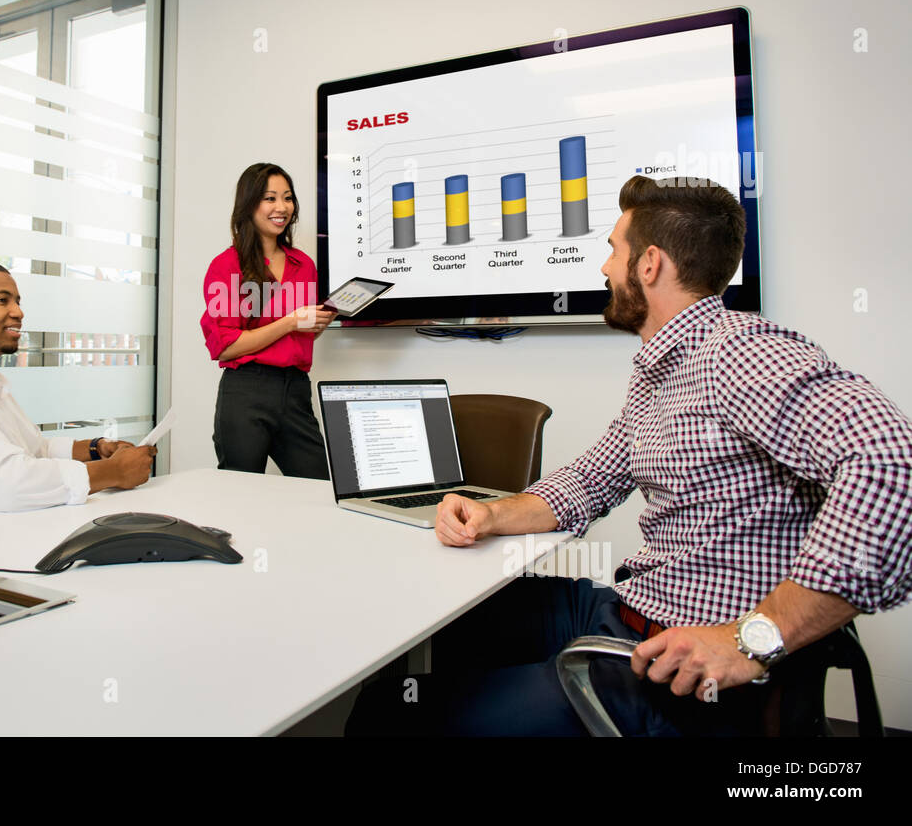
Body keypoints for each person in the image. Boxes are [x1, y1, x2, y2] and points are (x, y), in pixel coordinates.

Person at [347, 176, 912, 736]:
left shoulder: (739, 352)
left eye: (613, 250)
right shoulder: (663, 367)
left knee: (386, 715)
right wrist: (492, 514)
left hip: (671, 665)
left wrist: (751, 639)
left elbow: (892, 464)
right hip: (624, 607)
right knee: (444, 628)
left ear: (649, 265)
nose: (603, 268)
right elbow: (592, 478)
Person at [0, 259, 155, 511]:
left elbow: (35, 450)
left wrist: (95, 449)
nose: (18, 312)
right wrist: (113, 471)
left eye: (17, 301)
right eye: (2, 300)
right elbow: (9, 485)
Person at [200, 163, 337, 479]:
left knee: (318, 485)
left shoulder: (303, 264)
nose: (282, 207)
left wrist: (318, 321)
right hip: (247, 390)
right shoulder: (227, 266)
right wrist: (290, 321)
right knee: (240, 487)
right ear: (249, 205)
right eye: (270, 198)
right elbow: (226, 346)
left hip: (295, 389)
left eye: (287, 198)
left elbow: (298, 337)